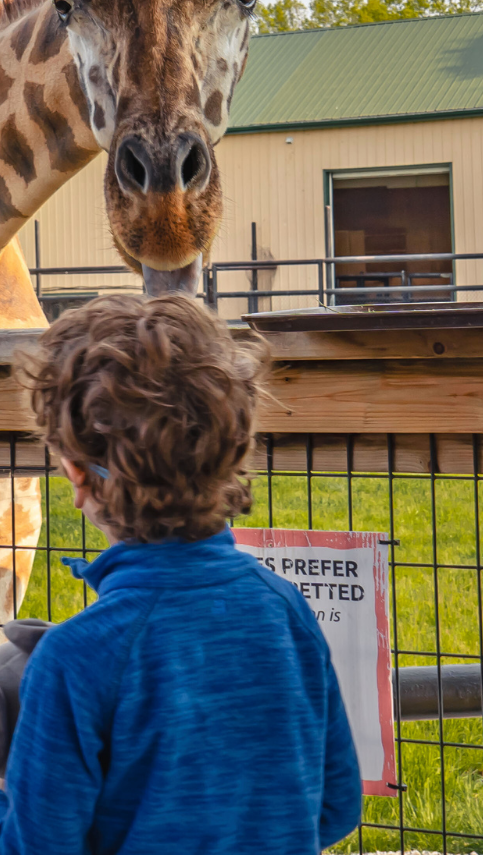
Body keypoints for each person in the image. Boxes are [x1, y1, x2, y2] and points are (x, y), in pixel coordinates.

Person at [3, 292, 362, 854]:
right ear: (230, 449)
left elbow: (37, 845)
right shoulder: (284, 608)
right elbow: (337, 804)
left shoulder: (76, 658)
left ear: (76, 475)